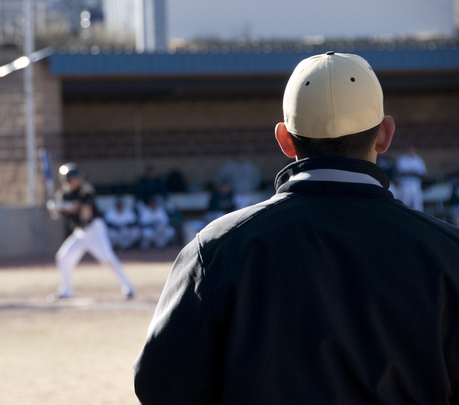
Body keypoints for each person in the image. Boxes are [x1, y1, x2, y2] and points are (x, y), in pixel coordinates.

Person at [134, 52, 459, 404]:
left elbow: (159, 384)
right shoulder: (448, 252)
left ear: (285, 140)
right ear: (385, 134)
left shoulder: (217, 249)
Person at [48, 163, 135, 301]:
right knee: (63, 257)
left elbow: (86, 210)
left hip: (95, 229)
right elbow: (57, 213)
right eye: (74, 177)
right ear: (67, 179)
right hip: (80, 232)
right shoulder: (62, 195)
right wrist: (55, 208)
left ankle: (129, 287)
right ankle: (66, 290)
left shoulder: (85, 189)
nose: (78, 180)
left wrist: (66, 207)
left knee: (108, 258)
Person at [396, 142, 427, 211]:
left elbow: (422, 173)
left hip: (416, 186)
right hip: (405, 186)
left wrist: (410, 173)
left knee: (418, 207)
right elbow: (400, 172)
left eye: (412, 148)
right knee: (404, 206)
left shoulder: (418, 160)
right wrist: (412, 173)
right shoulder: (402, 159)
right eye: (409, 148)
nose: (410, 150)